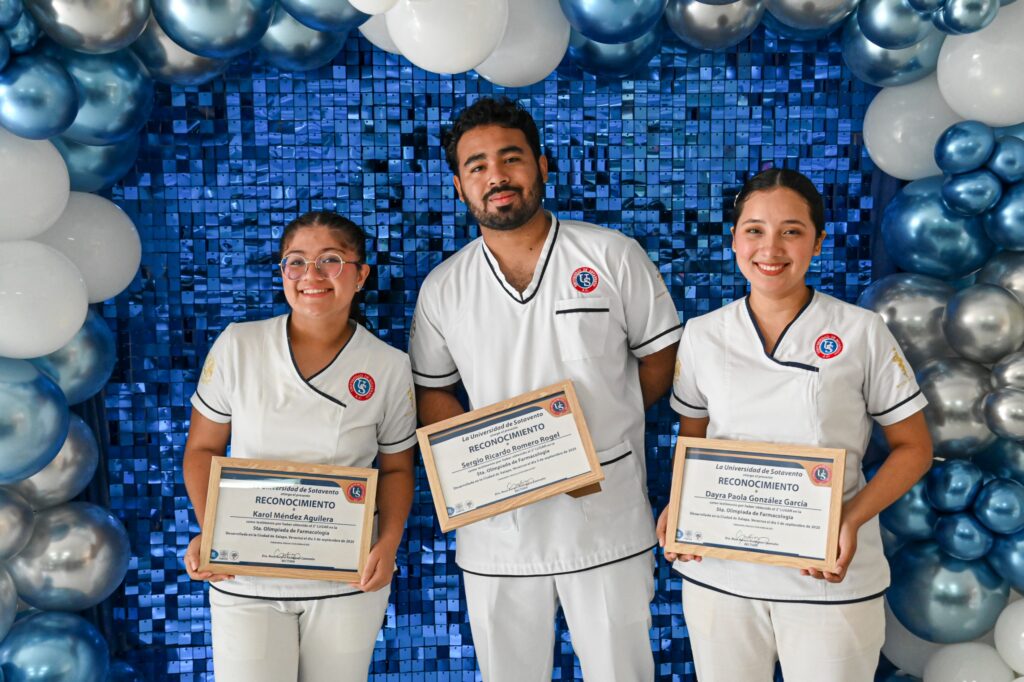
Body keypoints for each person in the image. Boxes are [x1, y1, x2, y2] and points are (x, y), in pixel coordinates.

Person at [410, 97, 681, 682]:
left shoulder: (610, 255)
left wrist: (597, 425)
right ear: (459, 186)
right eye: (477, 166)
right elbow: (431, 392)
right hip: (497, 534)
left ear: (542, 165)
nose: (497, 176)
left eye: (511, 158)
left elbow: (663, 357)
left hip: (605, 521)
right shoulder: (443, 287)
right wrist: (489, 464)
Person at [656, 168, 933, 682]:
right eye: (755, 230)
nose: (771, 248)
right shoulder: (702, 335)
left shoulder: (861, 331)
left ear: (818, 242)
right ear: (734, 239)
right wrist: (681, 503)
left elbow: (914, 447)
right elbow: (693, 438)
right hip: (721, 573)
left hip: (825, 574)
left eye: (791, 231)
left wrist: (850, 520)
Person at [182, 211, 417, 682]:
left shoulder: (388, 365)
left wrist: (388, 545)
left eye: (330, 260)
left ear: (360, 275)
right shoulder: (239, 345)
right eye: (296, 261)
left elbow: (397, 469)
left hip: (347, 577)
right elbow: (202, 449)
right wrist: (213, 531)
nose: (312, 275)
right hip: (244, 575)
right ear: (283, 272)